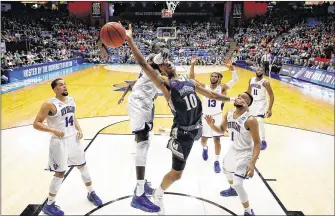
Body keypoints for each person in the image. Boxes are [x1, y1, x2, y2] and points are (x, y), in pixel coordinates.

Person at [124, 23, 243, 215]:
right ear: (162, 70)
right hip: (182, 132)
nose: (169, 62)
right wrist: (129, 40)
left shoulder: (188, 80)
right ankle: (146, 193)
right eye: (165, 63)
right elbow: (144, 65)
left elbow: (211, 95)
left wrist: (230, 98)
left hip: (194, 128)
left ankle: (145, 186)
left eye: (169, 61)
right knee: (165, 164)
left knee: (151, 145)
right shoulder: (166, 86)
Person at [33, 78, 102, 216]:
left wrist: (79, 129)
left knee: (83, 166)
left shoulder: (71, 99)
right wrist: (53, 130)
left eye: (64, 84)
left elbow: (73, 116)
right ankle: (50, 204)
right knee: (60, 173)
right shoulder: (49, 104)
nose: (64, 86)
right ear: (54, 89)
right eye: (60, 85)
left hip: (73, 140)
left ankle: (91, 193)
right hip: (59, 142)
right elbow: (36, 123)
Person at [126, 42, 170, 213]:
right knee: (142, 144)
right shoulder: (153, 60)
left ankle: (142, 185)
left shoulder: (157, 65)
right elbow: (157, 59)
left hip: (146, 103)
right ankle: (138, 194)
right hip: (139, 103)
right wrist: (164, 52)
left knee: (145, 143)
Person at [204, 92, 261, 216]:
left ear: (248, 104)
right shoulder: (229, 114)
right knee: (226, 171)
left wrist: (252, 163)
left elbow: (257, 143)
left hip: (246, 153)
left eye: (243, 98)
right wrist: (212, 125)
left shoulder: (251, 120)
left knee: (238, 183)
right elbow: (220, 130)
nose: (239, 98)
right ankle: (232, 190)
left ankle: (248, 211)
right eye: (239, 96)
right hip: (233, 149)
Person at [188, 56, 238, 173]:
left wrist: (232, 69)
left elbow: (235, 80)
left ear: (220, 79)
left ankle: (216, 161)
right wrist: (192, 65)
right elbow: (191, 78)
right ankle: (205, 149)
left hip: (217, 116)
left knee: (217, 140)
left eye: (216, 76)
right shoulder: (204, 87)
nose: (213, 77)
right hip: (205, 116)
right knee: (204, 139)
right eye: (212, 76)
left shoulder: (222, 88)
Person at [247, 67, 274, 150]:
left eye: (261, 70)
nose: (259, 71)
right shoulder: (251, 79)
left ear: (263, 72)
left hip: (262, 103)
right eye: (258, 70)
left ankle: (263, 140)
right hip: (253, 102)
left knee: (260, 121)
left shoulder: (265, 82)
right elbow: (248, 91)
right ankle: (249, 139)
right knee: (250, 121)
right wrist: (246, 102)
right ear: (255, 71)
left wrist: (269, 109)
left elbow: (271, 95)